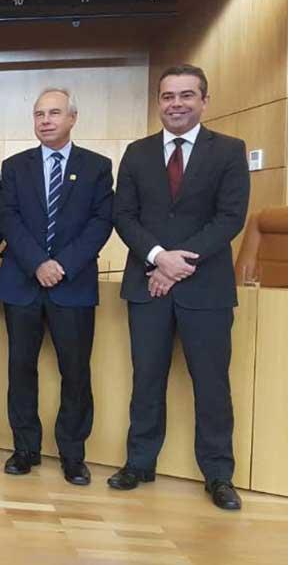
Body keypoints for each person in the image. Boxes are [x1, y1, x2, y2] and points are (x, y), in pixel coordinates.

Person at [109, 64, 249, 510]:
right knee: (146, 379)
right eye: (168, 96)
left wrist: (176, 264)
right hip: (147, 285)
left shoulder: (229, 150)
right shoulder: (137, 153)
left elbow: (230, 218)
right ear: (159, 102)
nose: (176, 104)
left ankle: (218, 475)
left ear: (204, 101)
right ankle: (139, 463)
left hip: (205, 289)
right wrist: (157, 257)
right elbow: (123, 215)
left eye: (187, 95)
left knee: (211, 384)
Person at [0, 89, 113, 485]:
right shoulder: (14, 166)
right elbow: (8, 218)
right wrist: (38, 263)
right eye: (39, 114)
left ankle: (73, 454)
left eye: (54, 113)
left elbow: (102, 222)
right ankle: (25, 448)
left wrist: (62, 264)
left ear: (72, 118)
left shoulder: (97, 167)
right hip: (22, 283)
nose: (46, 120)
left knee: (75, 373)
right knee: (20, 369)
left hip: (73, 284)